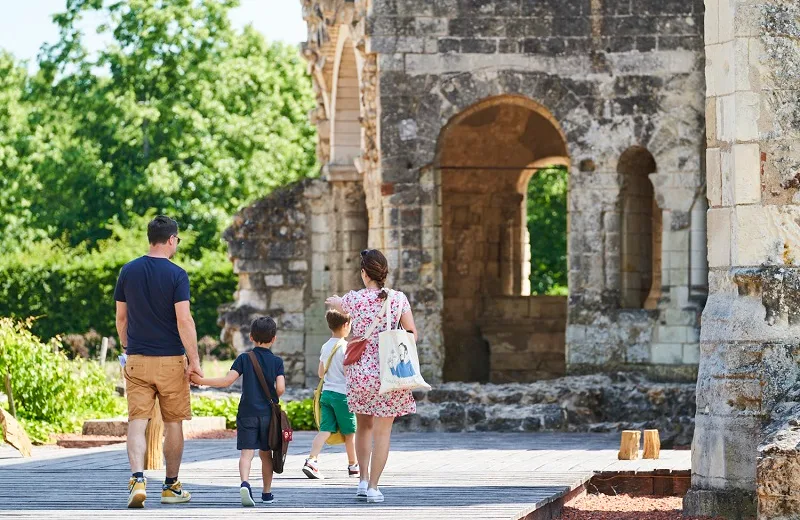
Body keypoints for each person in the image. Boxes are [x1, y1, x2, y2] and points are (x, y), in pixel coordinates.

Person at [115, 215, 202, 509]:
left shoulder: (128, 271)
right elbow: (184, 320)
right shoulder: (177, 275)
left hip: (137, 359)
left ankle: (137, 479)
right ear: (171, 240)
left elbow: (121, 318)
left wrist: (129, 346)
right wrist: (195, 359)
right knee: (173, 423)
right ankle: (170, 486)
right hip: (170, 362)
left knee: (137, 422)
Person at [325, 249, 418, 504]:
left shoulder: (355, 299)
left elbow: (338, 304)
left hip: (360, 373)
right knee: (383, 433)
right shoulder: (399, 299)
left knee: (362, 427)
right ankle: (375, 487)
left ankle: (362, 481)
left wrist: (335, 301)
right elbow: (412, 334)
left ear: (364, 273)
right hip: (390, 373)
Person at [191, 317, 285, 507]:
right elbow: (281, 388)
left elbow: (227, 381)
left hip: (247, 413)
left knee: (246, 453)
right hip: (268, 416)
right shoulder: (276, 361)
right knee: (266, 454)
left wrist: (201, 381)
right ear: (273, 339)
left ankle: (245, 483)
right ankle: (266, 493)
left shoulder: (244, 358)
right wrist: (273, 396)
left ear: (251, 337)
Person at [302, 309, 358, 480]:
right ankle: (353, 466)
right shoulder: (346, 347)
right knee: (350, 433)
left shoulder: (326, 346)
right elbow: (349, 373)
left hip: (326, 394)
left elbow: (321, 373)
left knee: (325, 430)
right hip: (343, 396)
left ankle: (312, 460)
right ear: (346, 325)